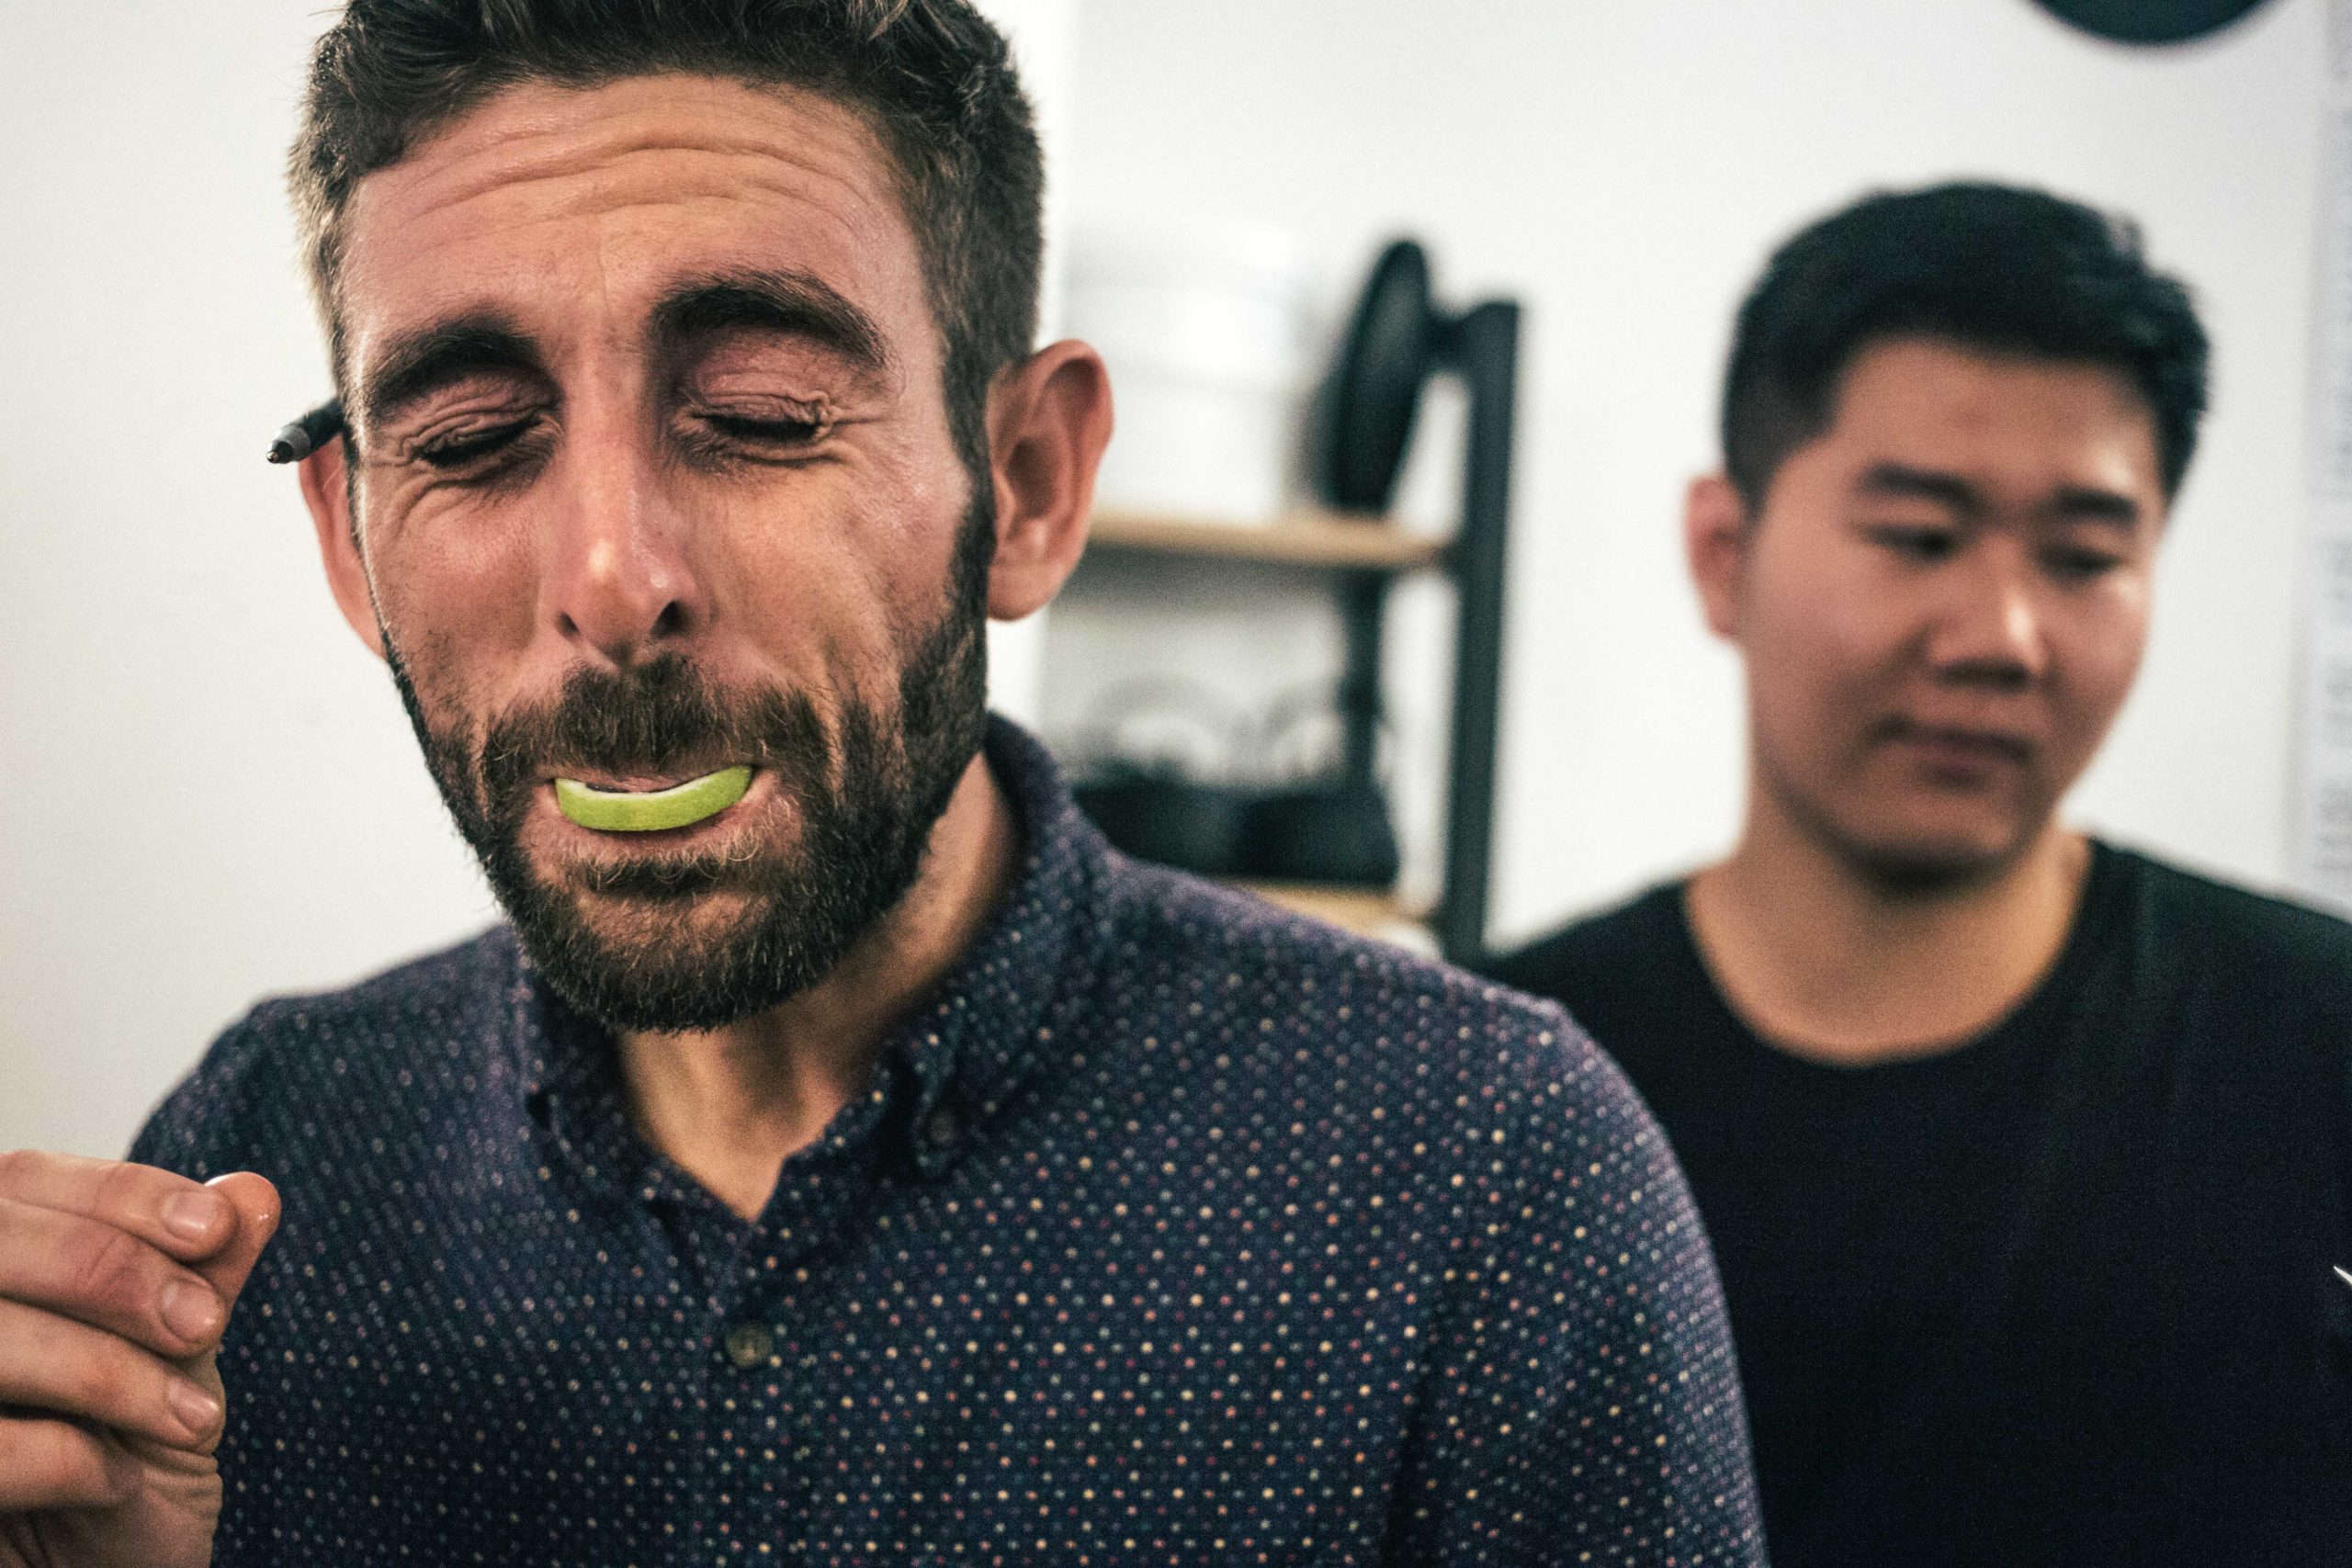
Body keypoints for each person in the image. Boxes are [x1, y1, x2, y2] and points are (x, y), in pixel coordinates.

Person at [0, 4, 1766, 1563]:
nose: (613, 578)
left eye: (763, 415)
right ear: (352, 542)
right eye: (470, 445)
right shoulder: (250, 1176)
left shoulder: (1480, 1188)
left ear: (1028, 479)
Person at [1485, 180, 2352, 1566]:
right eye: (1919, 536)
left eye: (2082, 555)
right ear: (1724, 555)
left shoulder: (2316, 1050)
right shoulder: (1506, 1094)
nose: (2003, 635)